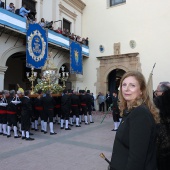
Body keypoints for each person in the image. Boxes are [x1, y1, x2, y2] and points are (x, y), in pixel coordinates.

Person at [109, 71, 160, 170]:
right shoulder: (131, 110)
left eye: (132, 85)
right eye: (124, 85)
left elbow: (137, 159)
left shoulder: (140, 113)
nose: (126, 89)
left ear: (141, 90)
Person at [153, 84, 170, 170]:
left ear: (163, 93)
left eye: (157, 92)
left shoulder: (158, 104)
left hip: (163, 155)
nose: (155, 94)